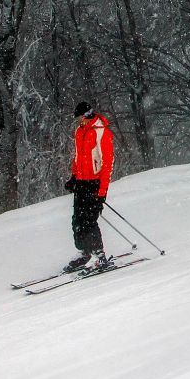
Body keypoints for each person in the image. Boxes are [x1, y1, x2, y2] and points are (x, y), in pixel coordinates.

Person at [65, 100, 115, 271]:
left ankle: (99, 256)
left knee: (89, 221)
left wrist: (102, 192)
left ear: (88, 115)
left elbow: (107, 164)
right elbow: (78, 157)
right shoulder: (79, 131)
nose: (79, 122)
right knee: (77, 220)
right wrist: (74, 177)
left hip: (95, 184)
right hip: (81, 183)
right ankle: (84, 252)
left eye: (81, 118)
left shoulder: (102, 132)